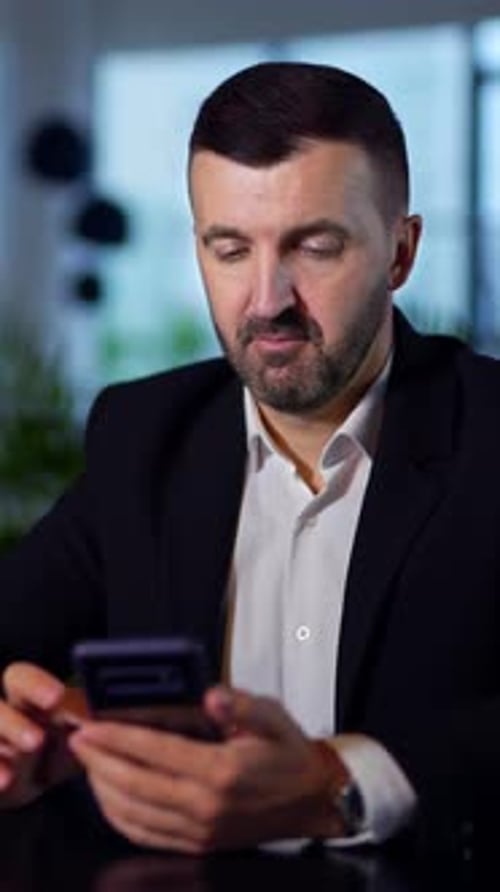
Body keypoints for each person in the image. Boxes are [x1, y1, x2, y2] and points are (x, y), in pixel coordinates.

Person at [0, 60, 499, 857]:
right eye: (229, 249)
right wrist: (18, 722)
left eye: (315, 246)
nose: (266, 300)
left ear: (401, 254)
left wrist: (339, 784)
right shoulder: (142, 433)